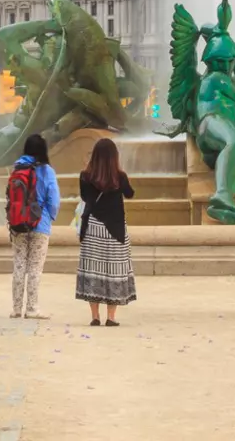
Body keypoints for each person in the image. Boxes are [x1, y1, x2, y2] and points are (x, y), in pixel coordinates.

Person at [75, 136, 138, 327]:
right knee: (114, 271)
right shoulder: (120, 177)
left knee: (93, 269)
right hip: (115, 230)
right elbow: (130, 194)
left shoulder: (85, 176)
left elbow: (85, 197)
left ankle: (95, 316)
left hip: (93, 227)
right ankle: (111, 317)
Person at [6, 133, 61, 320]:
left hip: (19, 223)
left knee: (19, 265)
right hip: (40, 225)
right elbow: (53, 200)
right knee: (35, 267)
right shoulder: (47, 171)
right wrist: (49, 217)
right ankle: (32, 308)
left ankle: (16, 308)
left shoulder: (17, 168)